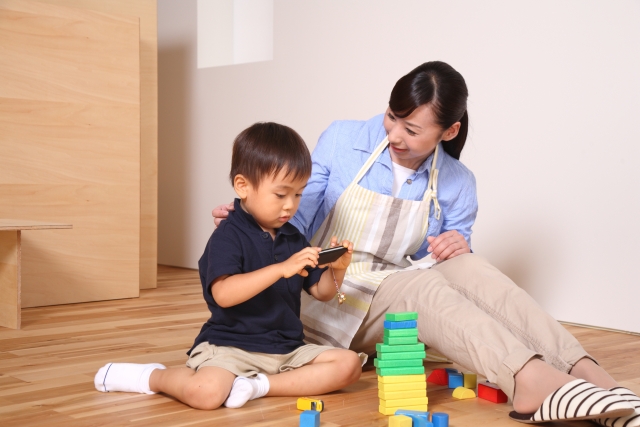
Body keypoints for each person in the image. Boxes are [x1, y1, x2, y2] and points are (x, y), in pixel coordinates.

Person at [213, 62, 640, 425]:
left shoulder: (457, 181)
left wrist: (457, 247)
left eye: (412, 128)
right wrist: (251, 219)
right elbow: (295, 222)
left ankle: (588, 375)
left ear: (449, 131)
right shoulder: (343, 140)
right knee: (420, 287)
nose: (396, 134)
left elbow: (457, 280)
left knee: (471, 267)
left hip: (395, 297)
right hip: (328, 294)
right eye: (392, 117)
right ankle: (527, 379)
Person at [94, 122, 362, 410]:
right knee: (206, 393)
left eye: (298, 194)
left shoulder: (294, 238)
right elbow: (223, 293)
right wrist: (280, 269)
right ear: (242, 186)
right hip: (230, 346)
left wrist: (338, 269)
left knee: (348, 365)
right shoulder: (228, 235)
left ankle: (256, 386)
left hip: (286, 349)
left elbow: (321, 292)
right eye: (280, 195)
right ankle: (154, 377)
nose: (290, 206)